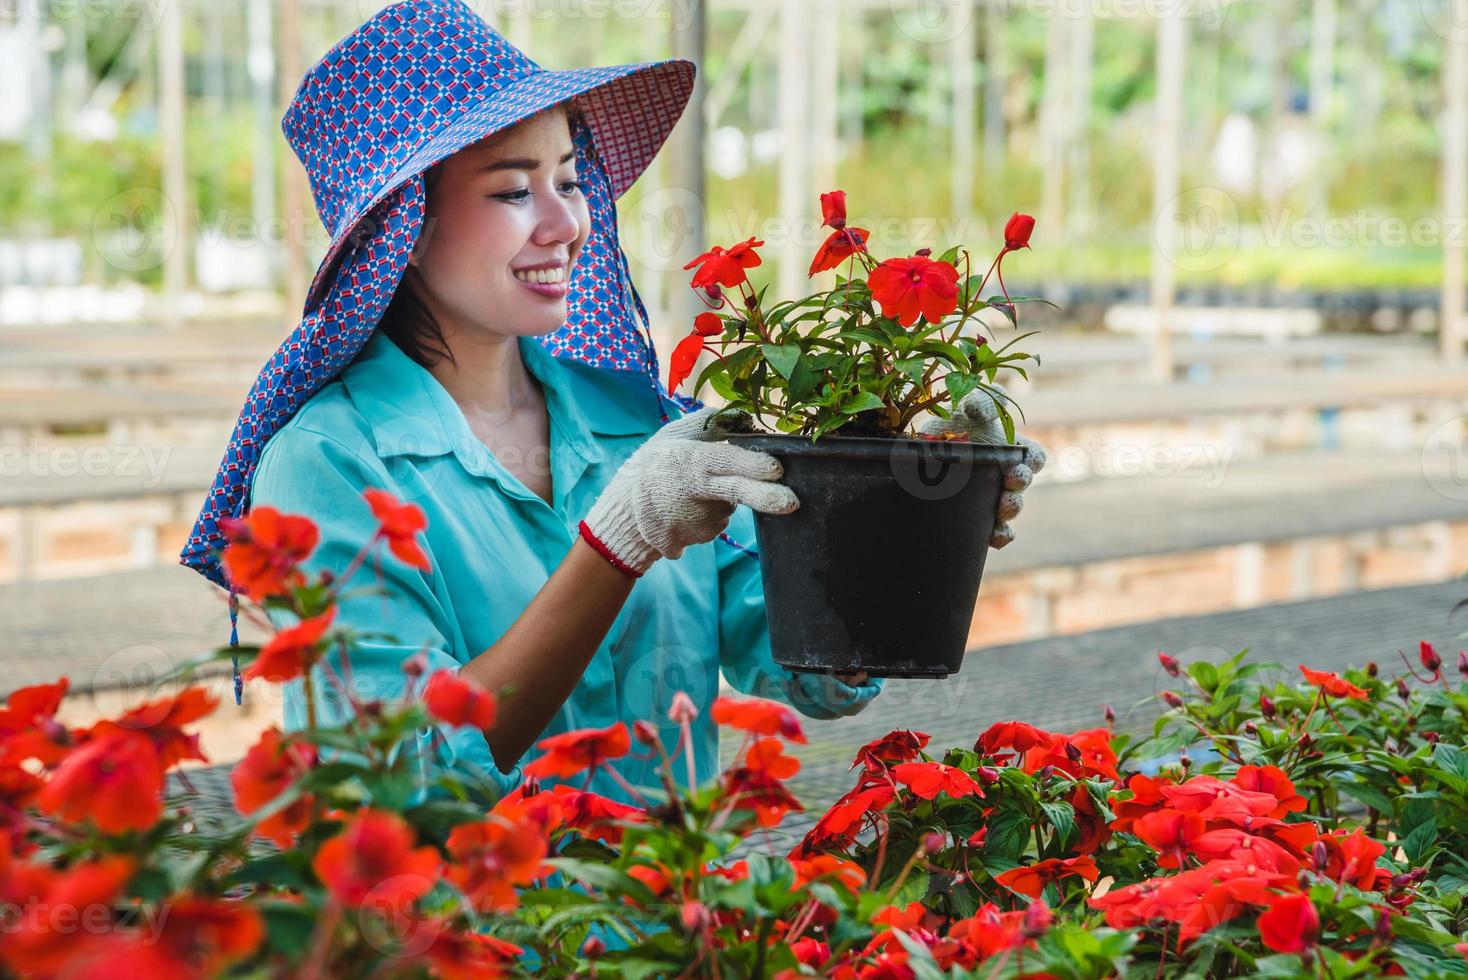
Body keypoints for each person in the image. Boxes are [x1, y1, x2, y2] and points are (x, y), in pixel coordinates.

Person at [181, 0, 1041, 807]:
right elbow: (404, 779)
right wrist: (617, 539)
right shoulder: (328, 464)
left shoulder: (640, 422)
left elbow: (804, 665)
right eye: (514, 190)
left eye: (569, 179)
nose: (567, 223)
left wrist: (911, 503)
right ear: (403, 232)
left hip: (675, 940)